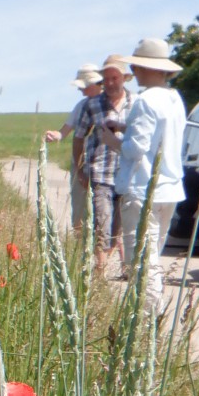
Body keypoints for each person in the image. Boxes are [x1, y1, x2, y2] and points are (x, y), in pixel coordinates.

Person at [102, 38, 187, 316]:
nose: (134, 72)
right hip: (170, 189)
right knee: (152, 258)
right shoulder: (174, 98)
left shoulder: (144, 101)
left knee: (141, 262)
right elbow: (159, 134)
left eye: (137, 66)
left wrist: (111, 139)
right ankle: (150, 314)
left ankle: (149, 317)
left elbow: (136, 148)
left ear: (147, 68)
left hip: (142, 190)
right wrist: (125, 125)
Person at [74, 55, 135, 274]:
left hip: (127, 174)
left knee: (118, 226)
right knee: (102, 222)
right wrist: (80, 168)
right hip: (100, 172)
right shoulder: (92, 105)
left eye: (114, 77)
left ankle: (116, 264)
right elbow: (79, 136)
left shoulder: (135, 103)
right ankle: (99, 270)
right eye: (105, 78)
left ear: (125, 78)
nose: (109, 83)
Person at [45, 65, 102, 231]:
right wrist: (56, 135)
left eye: (83, 87)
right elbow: (65, 132)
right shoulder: (81, 106)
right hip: (80, 164)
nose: (81, 92)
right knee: (79, 209)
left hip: (103, 165)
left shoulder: (111, 103)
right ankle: (79, 248)